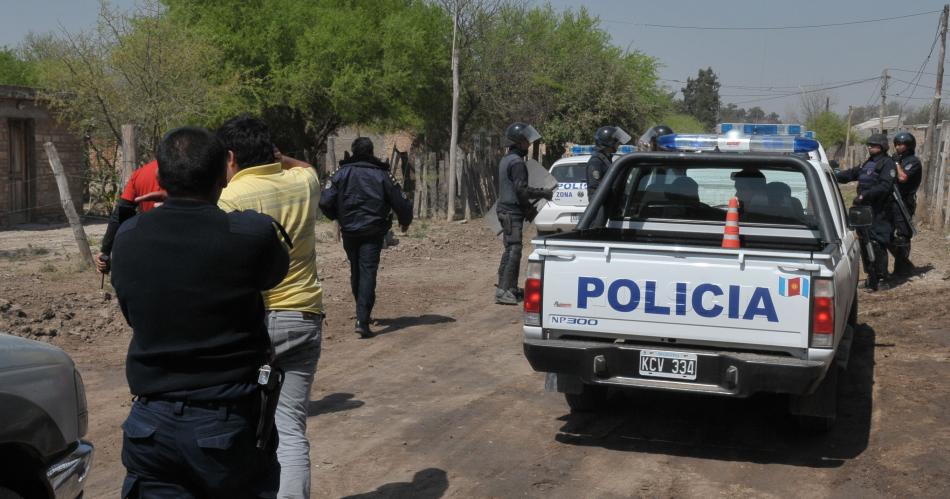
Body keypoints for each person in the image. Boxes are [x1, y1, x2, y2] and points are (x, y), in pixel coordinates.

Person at [111, 126, 289, 498]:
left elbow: (132, 311)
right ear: (224, 174)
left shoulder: (128, 237)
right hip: (225, 424)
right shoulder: (250, 235)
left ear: (160, 179)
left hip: (151, 426)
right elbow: (274, 273)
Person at [215, 114, 324, 499]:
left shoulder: (229, 199)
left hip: (253, 323)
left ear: (230, 157)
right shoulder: (304, 182)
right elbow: (306, 166)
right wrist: (283, 159)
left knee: (240, 426)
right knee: (290, 429)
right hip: (304, 315)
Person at [319, 137, 413, 337]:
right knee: (368, 272)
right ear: (371, 152)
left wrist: (338, 217)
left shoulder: (340, 173)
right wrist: (405, 221)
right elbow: (401, 201)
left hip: (349, 231)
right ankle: (362, 319)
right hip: (373, 232)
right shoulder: (383, 174)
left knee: (356, 270)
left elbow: (325, 202)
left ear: (353, 152)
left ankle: (362, 313)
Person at [495, 122, 552, 305]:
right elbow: (521, 190)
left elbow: (517, 190)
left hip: (506, 210)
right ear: (518, 142)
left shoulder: (507, 159)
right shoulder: (517, 162)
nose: (529, 144)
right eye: (526, 141)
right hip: (511, 212)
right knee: (514, 249)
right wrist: (543, 193)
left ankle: (508, 287)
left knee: (510, 248)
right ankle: (503, 291)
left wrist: (527, 208)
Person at [835, 133, 896, 291]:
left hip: (880, 210)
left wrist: (865, 195)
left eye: (873, 145)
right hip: (864, 210)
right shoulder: (868, 162)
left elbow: (885, 186)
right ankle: (871, 277)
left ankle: (882, 278)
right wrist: (834, 176)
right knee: (864, 241)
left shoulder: (888, 163)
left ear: (882, 146)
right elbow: (852, 173)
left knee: (877, 243)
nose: (869, 147)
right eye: (869, 144)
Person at [95, 159, 164, 274]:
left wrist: (105, 251)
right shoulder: (193, 169)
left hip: (148, 248)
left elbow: (121, 214)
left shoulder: (142, 172)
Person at [890, 131, 922, 276]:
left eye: (901, 144)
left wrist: (896, 163)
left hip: (904, 202)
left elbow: (902, 177)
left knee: (903, 235)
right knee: (884, 233)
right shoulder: (896, 159)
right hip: (891, 201)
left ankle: (901, 270)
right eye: (896, 144)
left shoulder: (913, 161)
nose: (897, 147)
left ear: (909, 146)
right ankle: (905, 264)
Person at [585, 126, 632, 199]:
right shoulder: (596, 162)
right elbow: (595, 190)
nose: (618, 145)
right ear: (609, 143)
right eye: (617, 143)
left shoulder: (606, 158)